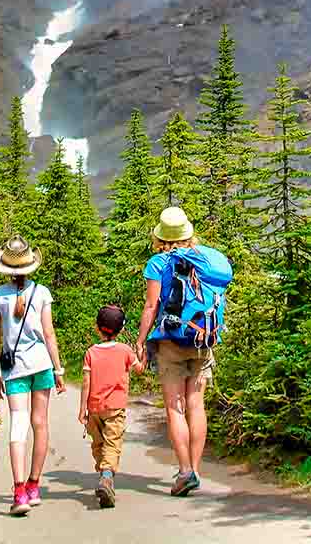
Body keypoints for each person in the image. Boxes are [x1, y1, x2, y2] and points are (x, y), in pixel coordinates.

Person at [133, 206, 228, 497]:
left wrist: (140, 341)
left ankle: (185, 470)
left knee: (175, 407)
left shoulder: (157, 263)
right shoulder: (204, 259)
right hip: (202, 338)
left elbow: (151, 306)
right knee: (196, 405)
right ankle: (196, 470)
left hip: (171, 341)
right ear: (187, 233)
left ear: (161, 236)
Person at [0, 237, 64, 517]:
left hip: (14, 368)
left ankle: (19, 491)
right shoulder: (41, 292)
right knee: (40, 423)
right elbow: (49, 333)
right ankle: (34, 485)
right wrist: (58, 369)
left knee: (18, 424)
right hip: (42, 364)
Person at [77, 304, 142, 508]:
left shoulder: (90, 352)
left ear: (97, 328)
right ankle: (106, 477)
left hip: (94, 408)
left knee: (98, 444)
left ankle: (104, 475)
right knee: (112, 443)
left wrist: (82, 409)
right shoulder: (125, 350)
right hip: (115, 408)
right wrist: (143, 354)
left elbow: (86, 382)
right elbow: (138, 369)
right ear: (121, 330)